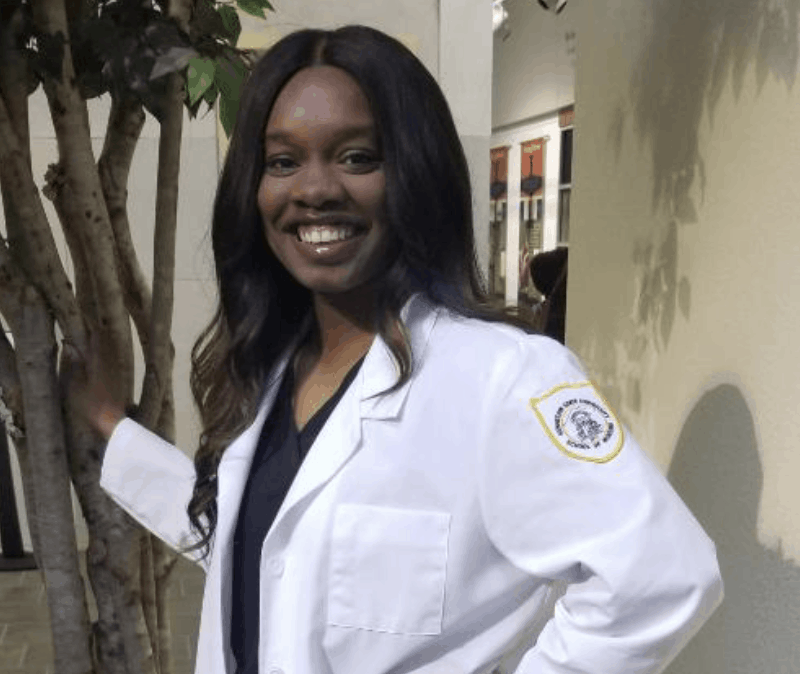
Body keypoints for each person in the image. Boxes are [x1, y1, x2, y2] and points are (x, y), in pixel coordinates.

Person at [84, 25, 723, 674]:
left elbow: (662, 579)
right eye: (282, 162)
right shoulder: (275, 367)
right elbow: (254, 545)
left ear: (416, 173)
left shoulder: (499, 379)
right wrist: (110, 425)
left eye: (357, 157)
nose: (314, 189)